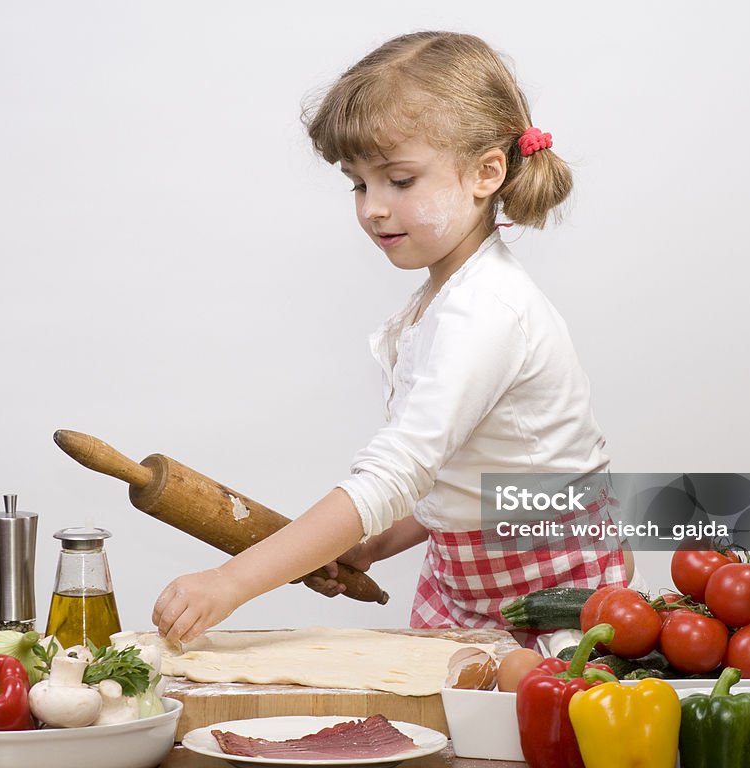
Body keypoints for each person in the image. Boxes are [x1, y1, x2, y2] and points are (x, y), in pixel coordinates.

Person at [153, 31, 637, 644]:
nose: (373, 209)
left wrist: (231, 583)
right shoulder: (442, 299)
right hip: (463, 581)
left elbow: (397, 473)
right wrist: (379, 541)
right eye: (359, 184)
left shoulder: (485, 312)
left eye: (399, 181)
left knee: (532, 730)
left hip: (554, 592)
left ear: (487, 172)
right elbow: (465, 479)